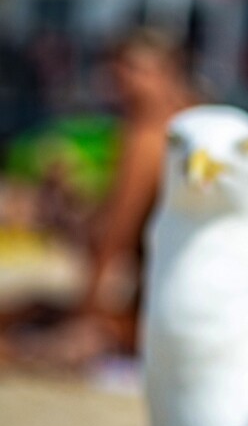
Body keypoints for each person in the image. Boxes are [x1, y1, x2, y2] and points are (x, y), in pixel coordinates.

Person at [12, 29, 201, 367]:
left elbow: (112, 244)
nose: (120, 85)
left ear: (165, 73)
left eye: (130, 72)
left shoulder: (149, 135)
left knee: (24, 328)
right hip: (196, 310)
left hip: (161, 317)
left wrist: (83, 318)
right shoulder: (201, 122)